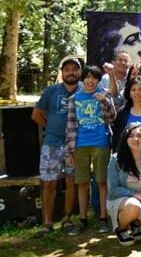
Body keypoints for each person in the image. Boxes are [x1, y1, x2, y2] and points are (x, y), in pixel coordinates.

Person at [31, 57, 82, 236]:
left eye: (74, 69)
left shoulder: (85, 90)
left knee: (71, 182)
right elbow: (36, 114)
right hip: (52, 144)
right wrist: (52, 127)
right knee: (49, 183)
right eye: (67, 69)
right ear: (62, 72)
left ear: (79, 72)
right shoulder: (51, 91)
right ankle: (47, 222)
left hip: (76, 146)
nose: (71, 72)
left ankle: (67, 219)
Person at [65, 65, 116, 235]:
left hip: (100, 143)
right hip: (80, 145)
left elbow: (112, 118)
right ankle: (82, 219)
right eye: (87, 77)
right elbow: (71, 126)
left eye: (94, 78)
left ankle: (103, 218)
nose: (90, 81)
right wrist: (69, 151)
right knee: (82, 183)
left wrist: (105, 101)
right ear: (83, 79)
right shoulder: (74, 99)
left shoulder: (103, 95)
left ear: (98, 80)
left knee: (101, 181)